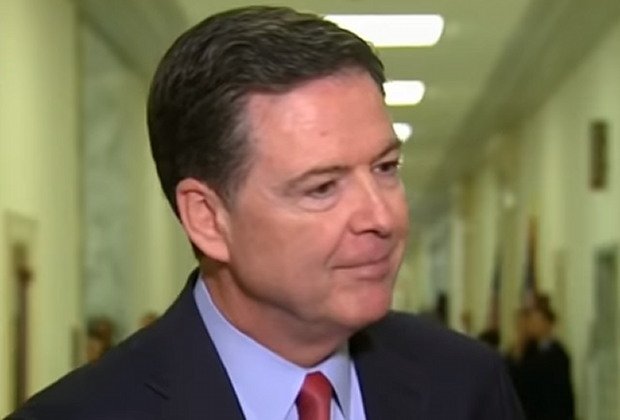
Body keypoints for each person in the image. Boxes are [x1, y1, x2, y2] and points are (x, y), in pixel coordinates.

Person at [7, 6, 524, 419]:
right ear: (208, 219)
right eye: (323, 187)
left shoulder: (467, 384)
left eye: (386, 168)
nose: (382, 217)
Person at [518, 304, 575, 420]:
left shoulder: (558, 354)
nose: (532, 326)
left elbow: (560, 393)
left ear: (547, 324)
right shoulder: (529, 351)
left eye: (536, 322)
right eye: (531, 322)